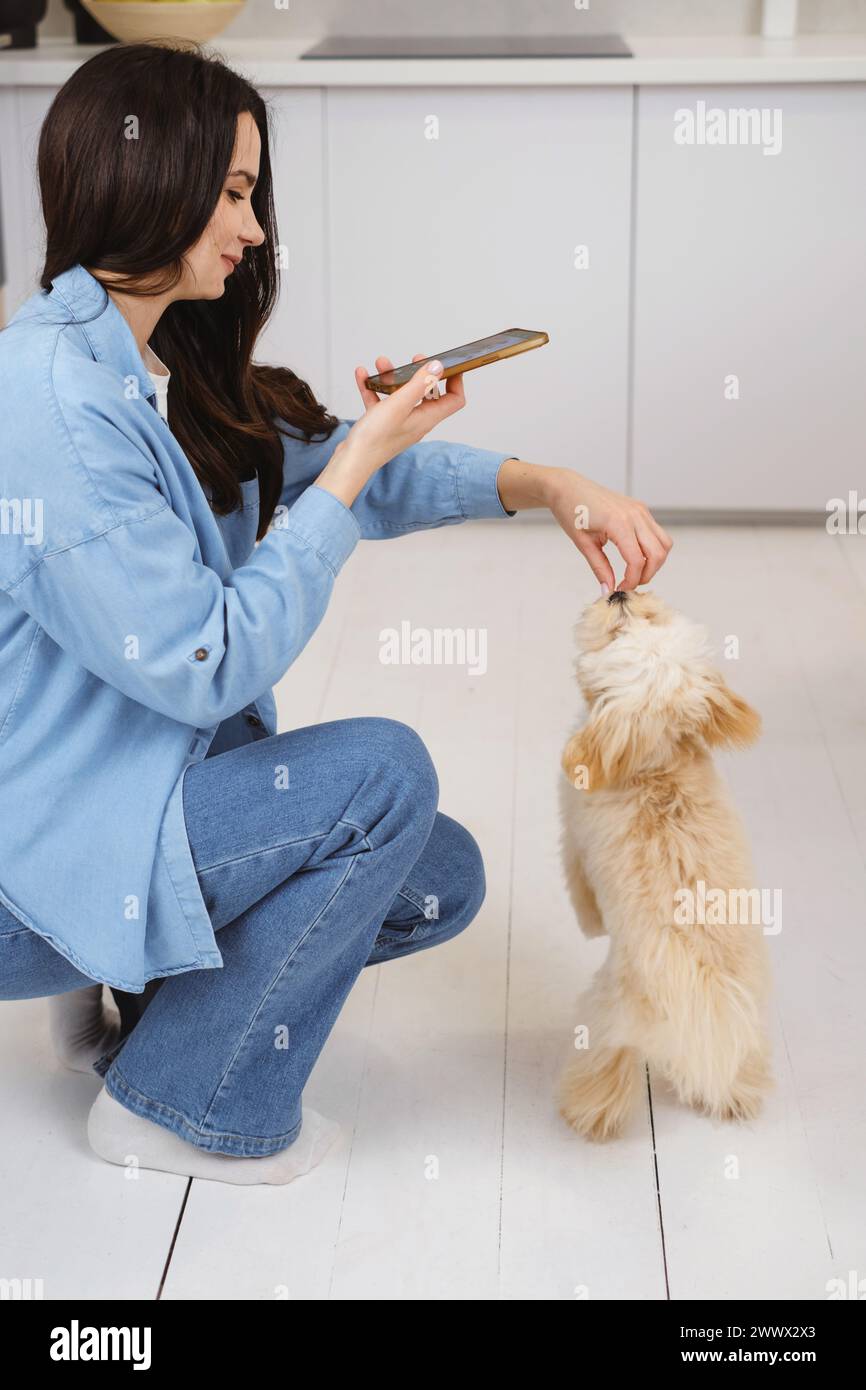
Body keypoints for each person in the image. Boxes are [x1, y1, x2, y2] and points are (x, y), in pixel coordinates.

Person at [0, 43, 672, 1187]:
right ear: (147, 176)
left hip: (125, 809)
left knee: (432, 871)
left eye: (250, 195)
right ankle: (175, 1104)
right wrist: (359, 459)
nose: (254, 229)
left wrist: (543, 482)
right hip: (42, 859)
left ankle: (142, 1011)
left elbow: (323, 471)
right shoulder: (52, 410)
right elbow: (208, 659)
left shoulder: (146, 361)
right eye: (230, 192)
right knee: (382, 778)